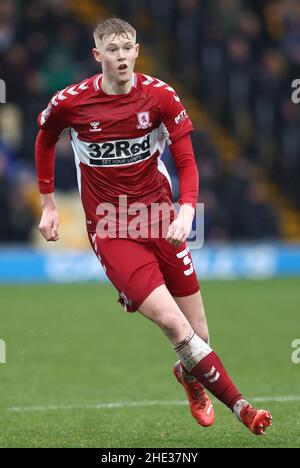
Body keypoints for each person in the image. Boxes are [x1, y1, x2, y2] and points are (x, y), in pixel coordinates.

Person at [35, 17, 272, 435]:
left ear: (137, 50)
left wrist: (186, 211)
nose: (121, 57)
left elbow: (186, 159)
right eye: (113, 50)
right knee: (175, 326)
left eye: (127, 48)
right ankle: (244, 409)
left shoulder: (160, 97)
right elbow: (44, 138)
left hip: (161, 219)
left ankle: (189, 377)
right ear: (98, 56)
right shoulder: (71, 103)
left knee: (200, 335)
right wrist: (49, 204)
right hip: (111, 228)